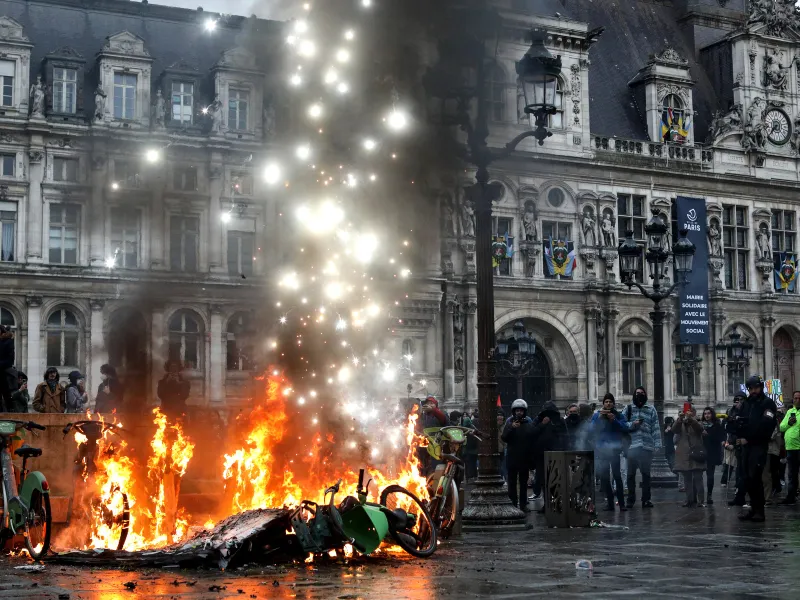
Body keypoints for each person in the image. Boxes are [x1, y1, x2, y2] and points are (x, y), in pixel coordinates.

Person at [727, 375, 778, 522]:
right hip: (745, 446)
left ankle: (759, 510)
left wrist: (748, 437)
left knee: (756, 477)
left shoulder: (767, 403)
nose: (753, 391)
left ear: (760, 387)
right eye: (750, 388)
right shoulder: (747, 403)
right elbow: (742, 421)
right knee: (746, 478)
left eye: (755, 387)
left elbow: (765, 425)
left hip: (758, 444)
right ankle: (753, 507)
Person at [624, 386, 662, 508]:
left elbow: (655, 427)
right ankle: (630, 499)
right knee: (630, 475)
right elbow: (622, 425)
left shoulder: (651, 409)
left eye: (641, 393)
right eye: (637, 393)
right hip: (631, 446)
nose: (639, 395)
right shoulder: (628, 408)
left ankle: (646, 499)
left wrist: (657, 444)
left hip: (646, 446)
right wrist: (633, 424)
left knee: (646, 474)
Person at [591, 393, 628, 512]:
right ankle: (610, 503)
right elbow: (592, 429)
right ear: (603, 404)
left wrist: (614, 420)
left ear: (613, 404)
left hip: (615, 448)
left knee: (617, 476)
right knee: (605, 477)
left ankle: (622, 503)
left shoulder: (619, 415)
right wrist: (600, 419)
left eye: (610, 402)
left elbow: (624, 427)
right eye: (606, 402)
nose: (608, 404)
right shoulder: (597, 416)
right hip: (602, 449)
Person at [531, 401, 568, 512]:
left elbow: (565, 436)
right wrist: (542, 424)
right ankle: (547, 504)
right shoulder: (538, 420)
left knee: (555, 480)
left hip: (555, 454)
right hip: (541, 455)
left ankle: (555, 503)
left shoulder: (559, 421)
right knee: (543, 481)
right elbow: (532, 433)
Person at [501, 399, 535, 511]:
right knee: (512, 482)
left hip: (524, 457)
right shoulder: (509, 422)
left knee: (523, 482)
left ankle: (523, 504)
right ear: (514, 411)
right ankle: (513, 503)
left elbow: (532, 438)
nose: (519, 413)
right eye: (517, 411)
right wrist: (511, 428)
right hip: (512, 457)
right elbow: (504, 437)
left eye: (521, 410)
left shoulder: (528, 422)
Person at [673, 406, 706, 507]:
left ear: (694, 413)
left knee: (698, 478)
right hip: (684, 454)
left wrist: (691, 419)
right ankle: (689, 499)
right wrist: (679, 419)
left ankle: (700, 501)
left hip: (696, 453)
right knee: (687, 479)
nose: (688, 413)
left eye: (690, 412)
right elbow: (674, 430)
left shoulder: (697, 422)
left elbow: (699, 429)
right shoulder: (681, 423)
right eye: (687, 412)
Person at [779, 390, 800, 504]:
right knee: (792, 474)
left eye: (799, 398)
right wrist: (789, 423)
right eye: (795, 398)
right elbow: (781, 427)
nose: (797, 400)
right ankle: (791, 496)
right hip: (791, 448)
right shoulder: (789, 412)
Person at [701, 407, 725, 504]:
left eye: (708, 413)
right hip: (701, 452)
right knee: (698, 475)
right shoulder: (700, 425)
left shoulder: (717, 425)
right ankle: (698, 496)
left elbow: (720, 437)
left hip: (712, 453)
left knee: (710, 475)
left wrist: (708, 435)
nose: (707, 415)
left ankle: (709, 495)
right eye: (705, 413)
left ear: (712, 414)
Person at [726, 394, 747, 504]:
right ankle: (739, 496)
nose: (738, 402)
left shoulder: (748, 410)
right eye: (736, 400)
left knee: (746, 472)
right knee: (739, 471)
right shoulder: (732, 411)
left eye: (740, 400)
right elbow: (730, 428)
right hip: (737, 443)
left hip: (748, 444)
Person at [0, 324, 16, 412]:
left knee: (6, 394)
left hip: (3, 372)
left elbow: (10, 360)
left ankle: (10, 411)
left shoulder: (8, 342)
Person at [497, 410, 507, 482]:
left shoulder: (505, 426)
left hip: (504, 449)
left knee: (504, 465)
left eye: (501, 416)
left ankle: (504, 478)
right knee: (498, 465)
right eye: (498, 415)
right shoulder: (493, 426)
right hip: (496, 449)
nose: (500, 417)